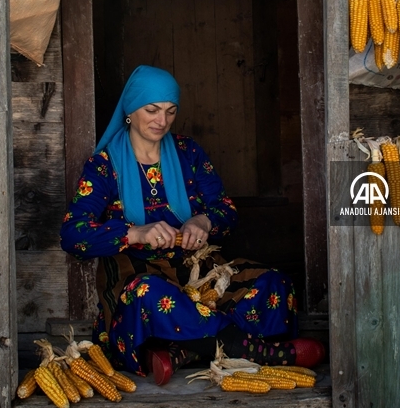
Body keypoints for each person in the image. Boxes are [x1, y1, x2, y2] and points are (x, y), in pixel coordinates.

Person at [60, 65, 325, 384]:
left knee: (274, 283)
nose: (162, 121)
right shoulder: (104, 166)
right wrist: (135, 232)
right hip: (140, 277)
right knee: (150, 295)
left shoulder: (188, 153)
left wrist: (204, 220)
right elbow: (73, 235)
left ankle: (183, 351)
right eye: (152, 110)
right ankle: (257, 352)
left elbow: (226, 211)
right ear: (130, 110)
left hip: (201, 273)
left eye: (171, 112)